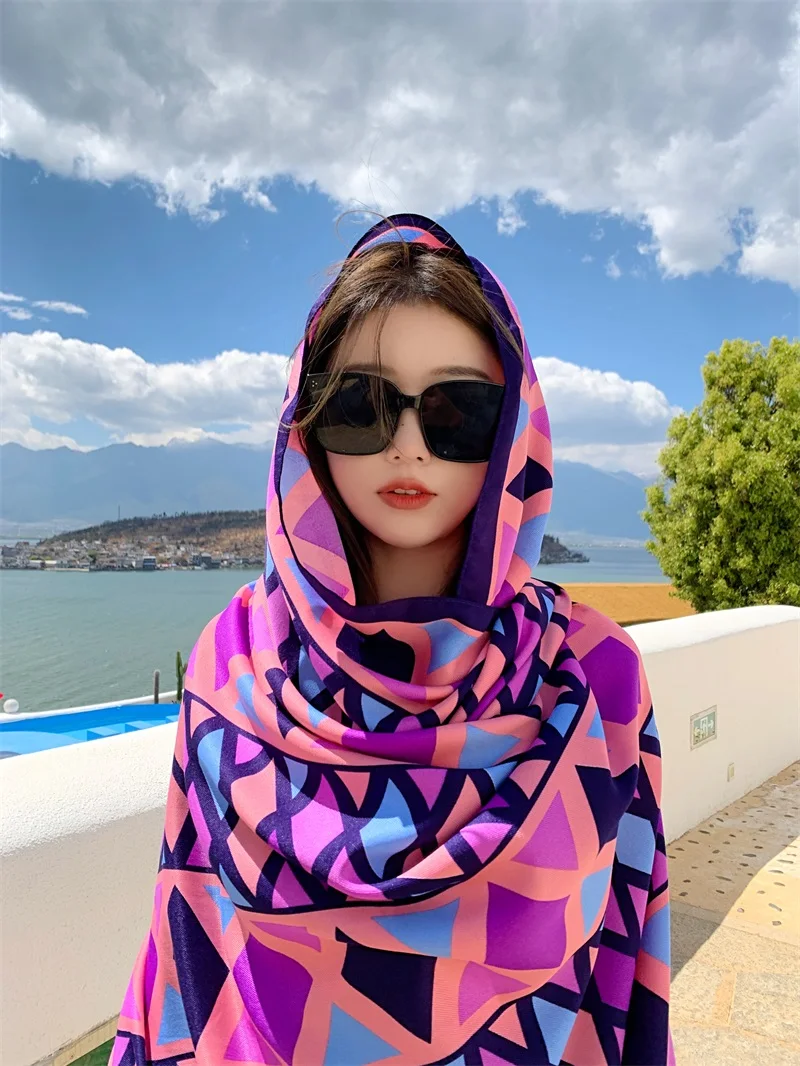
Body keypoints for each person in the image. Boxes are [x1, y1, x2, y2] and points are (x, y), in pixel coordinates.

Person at [111, 215, 674, 1066]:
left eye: (457, 412)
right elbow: (185, 949)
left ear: (513, 433)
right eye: (360, 405)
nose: (409, 444)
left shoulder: (594, 678)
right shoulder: (231, 662)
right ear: (306, 426)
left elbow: (628, 967)